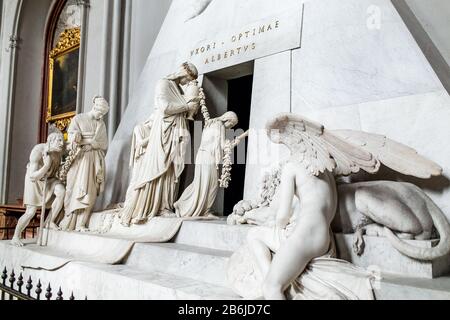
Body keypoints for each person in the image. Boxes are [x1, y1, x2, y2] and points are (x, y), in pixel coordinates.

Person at [120, 62, 200, 226]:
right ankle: (153, 207)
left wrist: (191, 105)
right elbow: (164, 108)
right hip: (164, 131)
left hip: (176, 132)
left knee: (171, 171)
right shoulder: (163, 83)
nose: (187, 83)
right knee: (160, 167)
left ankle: (165, 206)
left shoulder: (178, 89)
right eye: (188, 79)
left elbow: (184, 108)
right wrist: (186, 105)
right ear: (183, 73)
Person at [174, 112, 239, 218]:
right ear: (227, 120)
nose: (230, 127)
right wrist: (237, 141)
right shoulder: (219, 125)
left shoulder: (210, 123)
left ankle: (181, 203)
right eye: (231, 124)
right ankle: (205, 211)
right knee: (212, 184)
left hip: (202, 155)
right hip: (208, 157)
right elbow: (223, 146)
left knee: (199, 183)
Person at [62, 96, 109, 232]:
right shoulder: (79, 119)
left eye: (103, 114)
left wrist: (93, 144)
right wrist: (77, 137)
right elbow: (70, 138)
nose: (100, 116)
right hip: (80, 158)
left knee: (91, 192)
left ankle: (81, 224)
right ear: (94, 107)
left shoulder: (101, 124)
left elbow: (104, 143)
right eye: (100, 113)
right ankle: (70, 221)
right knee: (75, 189)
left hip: (94, 160)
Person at [11, 132, 65, 247]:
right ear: (51, 141)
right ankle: (16, 236)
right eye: (59, 140)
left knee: (61, 192)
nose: (62, 143)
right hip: (34, 181)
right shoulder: (38, 150)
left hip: (49, 179)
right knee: (31, 212)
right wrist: (46, 166)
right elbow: (32, 176)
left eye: (62, 140)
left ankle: (50, 221)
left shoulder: (58, 153)